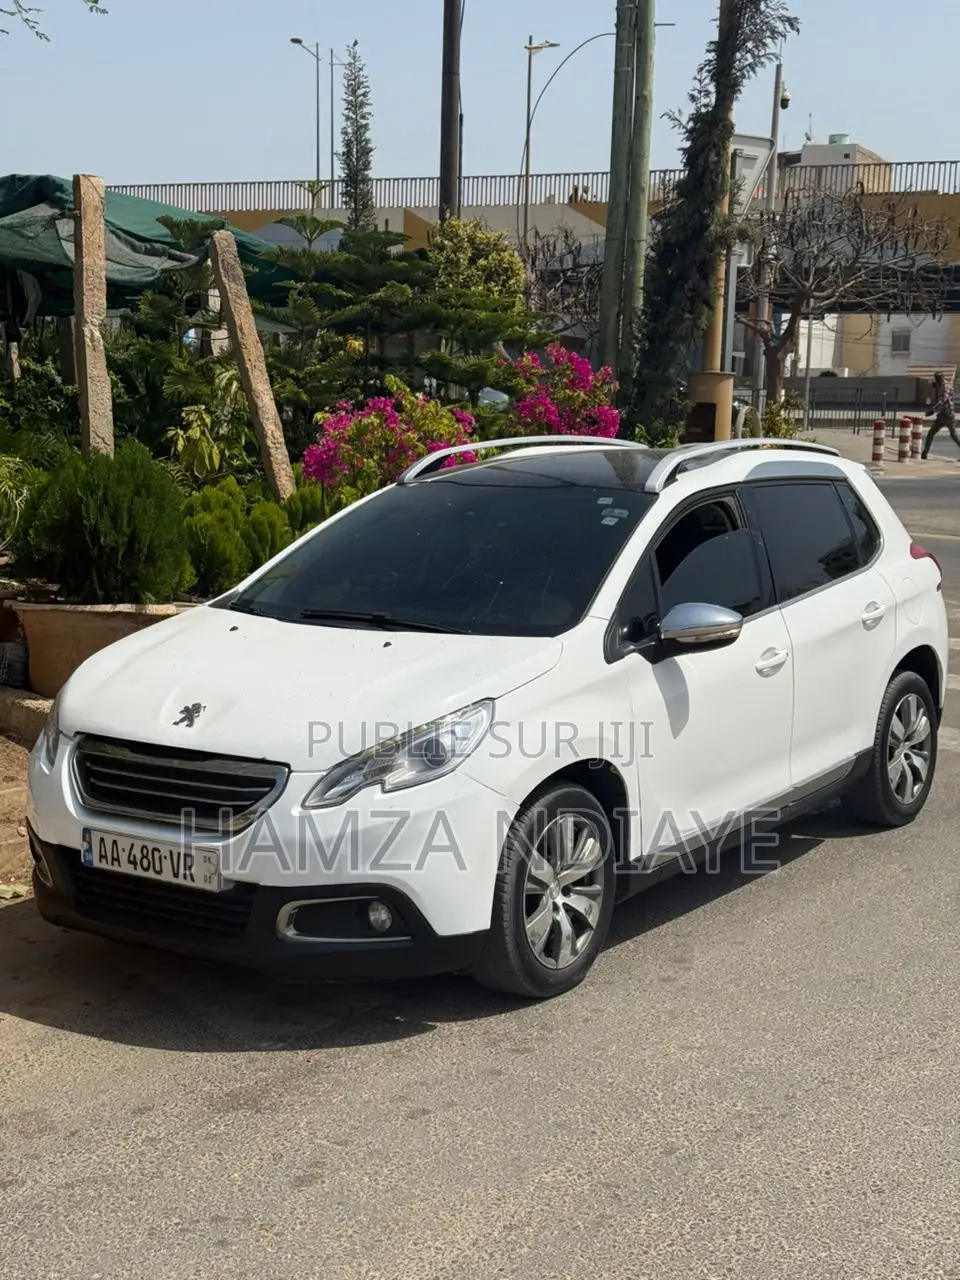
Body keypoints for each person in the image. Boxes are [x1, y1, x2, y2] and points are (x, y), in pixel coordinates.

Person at [921, 372, 960, 458]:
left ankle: (925, 453)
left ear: (942, 378)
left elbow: (942, 400)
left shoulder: (945, 386)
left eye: (938, 379)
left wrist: (932, 410)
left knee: (953, 435)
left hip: (948, 414)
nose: (938, 381)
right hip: (943, 414)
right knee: (932, 433)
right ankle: (925, 453)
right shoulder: (939, 385)